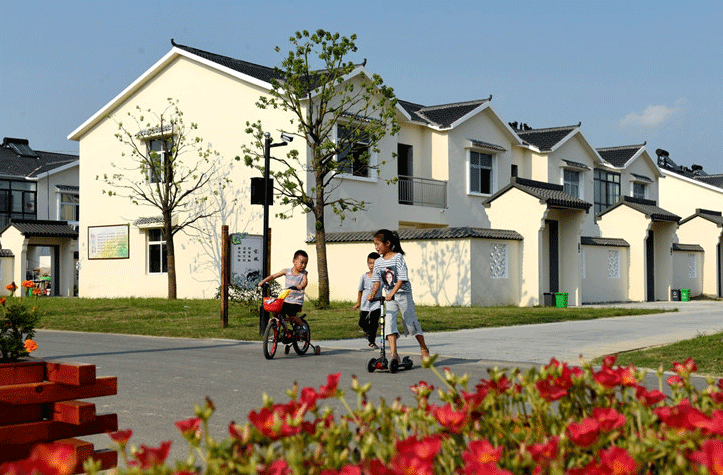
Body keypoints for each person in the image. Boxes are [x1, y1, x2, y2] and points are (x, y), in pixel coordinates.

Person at [368, 229, 429, 362]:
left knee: (411, 324)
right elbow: (377, 281)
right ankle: (393, 354)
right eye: (374, 244)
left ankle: (423, 348)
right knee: (389, 324)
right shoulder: (378, 262)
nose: (376, 247)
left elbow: (402, 279)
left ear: (388, 243)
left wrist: (392, 293)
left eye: (378, 244)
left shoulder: (398, 258)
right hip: (389, 297)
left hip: (403, 295)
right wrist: (372, 294)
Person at [258, 250, 308, 324]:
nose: (303, 265)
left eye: (305, 263)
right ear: (294, 261)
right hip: (286, 300)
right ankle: (279, 327)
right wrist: (263, 281)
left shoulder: (303, 274)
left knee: (291, 315)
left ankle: (302, 326)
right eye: (302, 262)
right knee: (276, 310)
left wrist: (300, 286)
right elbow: (273, 276)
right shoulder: (287, 271)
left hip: (296, 301)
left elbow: (305, 282)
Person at [353, 252, 382, 349]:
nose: (372, 265)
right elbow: (360, 290)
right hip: (365, 304)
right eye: (370, 263)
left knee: (374, 323)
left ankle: (372, 341)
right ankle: (368, 332)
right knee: (362, 322)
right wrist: (358, 303)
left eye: (375, 263)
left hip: (376, 304)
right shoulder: (364, 277)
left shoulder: (381, 276)